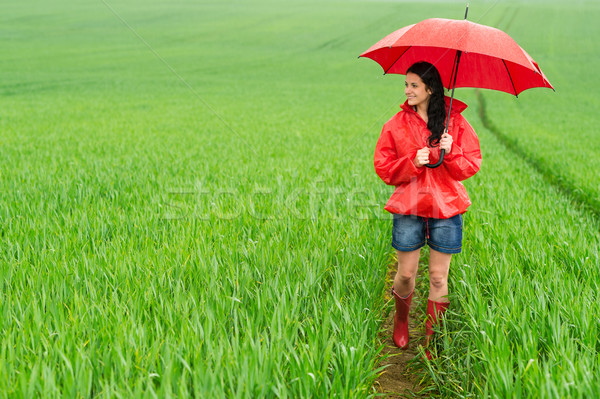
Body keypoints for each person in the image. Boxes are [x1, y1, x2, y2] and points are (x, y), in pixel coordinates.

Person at [373, 61, 482, 359]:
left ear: (430, 89)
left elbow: (470, 166)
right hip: (409, 205)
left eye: (414, 85)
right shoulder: (395, 125)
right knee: (406, 275)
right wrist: (412, 162)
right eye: (406, 85)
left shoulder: (455, 123)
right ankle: (401, 320)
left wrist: (452, 150)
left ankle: (432, 341)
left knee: (437, 278)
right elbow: (383, 168)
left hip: (446, 207)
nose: (407, 90)